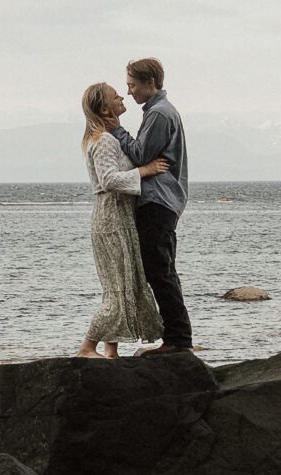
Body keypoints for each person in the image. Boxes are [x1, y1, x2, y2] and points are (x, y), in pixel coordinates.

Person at [76, 81, 171, 357]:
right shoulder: (103, 141)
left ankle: (111, 350)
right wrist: (146, 170)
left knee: (125, 283)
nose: (121, 96)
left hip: (120, 218)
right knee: (117, 287)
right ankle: (87, 346)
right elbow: (108, 180)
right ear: (105, 107)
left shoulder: (110, 138)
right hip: (111, 219)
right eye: (114, 95)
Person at [117, 56, 194, 355]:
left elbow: (140, 154)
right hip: (165, 200)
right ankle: (176, 337)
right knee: (162, 270)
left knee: (159, 271)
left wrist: (116, 130)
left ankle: (178, 339)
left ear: (151, 83)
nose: (129, 92)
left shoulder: (159, 114)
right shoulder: (160, 111)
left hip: (158, 200)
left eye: (133, 85)